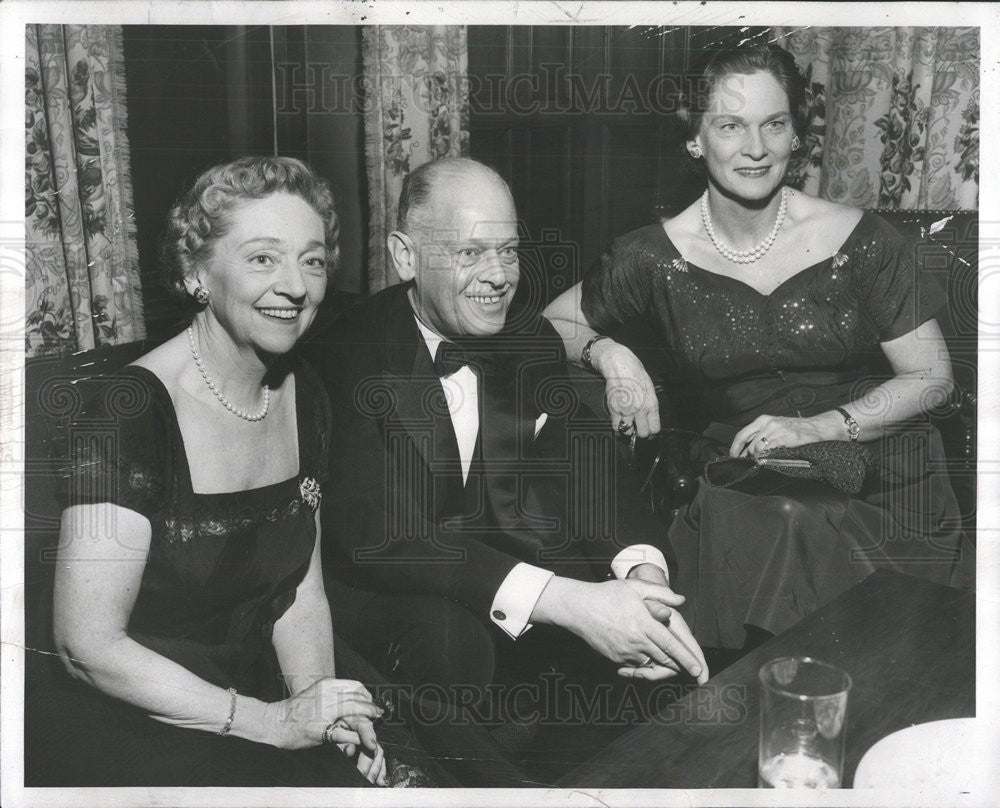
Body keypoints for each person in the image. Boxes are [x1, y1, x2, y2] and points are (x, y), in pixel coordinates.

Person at [25, 156, 519, 788]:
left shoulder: (303, 392)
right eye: (262, 257)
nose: (295, 286)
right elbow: (87, 647)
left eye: (312, 260)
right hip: (135, 712)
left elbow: (299, 591)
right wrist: (271, 722)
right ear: (197, 272)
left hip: (256, 679)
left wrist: (321, 708)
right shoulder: (126, 414)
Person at [543, 44, 975, 651]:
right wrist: (611, 354)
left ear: (796, 135)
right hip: (747, 469)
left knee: (786, 524)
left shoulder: (863, 239)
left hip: (877, 471)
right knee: (771, 519)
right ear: (695, 140)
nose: (756, 148)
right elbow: (549, 325)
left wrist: (820, 425)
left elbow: (932, 378)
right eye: (730, 126)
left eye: (774, 124)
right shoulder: (650, 255)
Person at [302, 157, 708, 719]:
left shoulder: (530, 338)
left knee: (661, 661)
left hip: (496, 566)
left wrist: (641, 574)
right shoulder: (342, 356)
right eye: (470, 253)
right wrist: (568, 602)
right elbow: (385, 540)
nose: (499, 276)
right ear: (404, 256)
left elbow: (591, 472)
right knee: (451, 643)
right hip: (385, 589)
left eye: (509, 251)